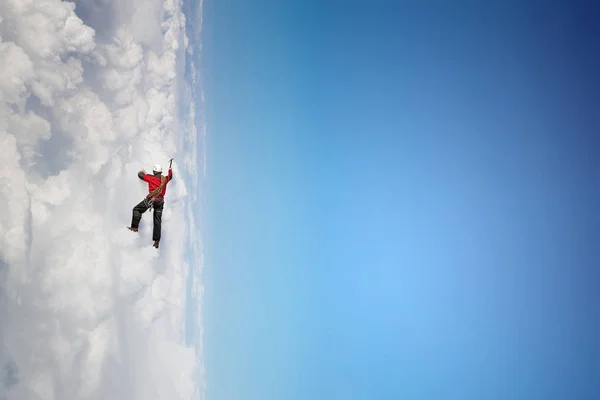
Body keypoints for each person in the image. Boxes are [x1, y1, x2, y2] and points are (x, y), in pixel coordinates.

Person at [127, 163, 173, 248]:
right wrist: (170, 169)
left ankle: (134, 228)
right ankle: (157, 241)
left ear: (154, 171)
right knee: (157, 221)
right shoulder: (165, 179)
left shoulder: (150, 177)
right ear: (160, 172)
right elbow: (170, 176)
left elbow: (140, 175)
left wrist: (142, 171)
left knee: (137, 210)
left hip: (151, 200)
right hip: (160, 202)